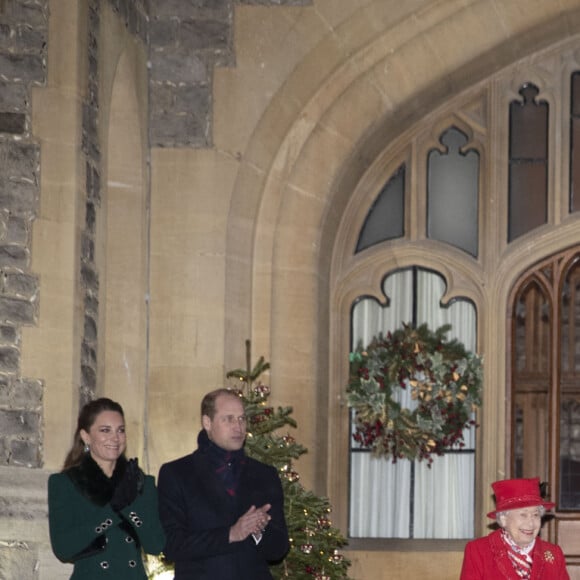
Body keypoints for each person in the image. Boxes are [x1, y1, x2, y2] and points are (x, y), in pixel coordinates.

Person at [158, 387, 289, 579]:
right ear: (207, 423)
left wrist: (260, 530)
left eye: (242, 418)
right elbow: (171, 545)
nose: (238, 426)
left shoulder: (264, 474)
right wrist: (231, 534)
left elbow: (279, 549)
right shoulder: (177, 473)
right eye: (228, 418)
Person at [48, 397, 166, 579]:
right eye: (105, 430)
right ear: (85, 436)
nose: (115, 438)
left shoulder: (142, 482)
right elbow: (63, 549)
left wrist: (129, 507)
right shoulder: (65, 483)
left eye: (121, 430)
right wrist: (111, 511)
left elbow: (156, 544)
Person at [460, 477, 570, 579]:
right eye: (523, 515)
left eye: (535, 515)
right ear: (503, 519)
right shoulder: (478, 551)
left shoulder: (554, 554)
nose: (531, 523)